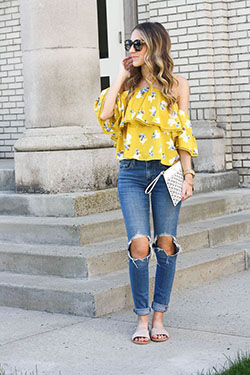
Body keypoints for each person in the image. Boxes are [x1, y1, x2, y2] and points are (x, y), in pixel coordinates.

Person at [94, 22, 198, 344]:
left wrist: (189, 174)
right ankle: (141, 318)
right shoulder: (127, 87)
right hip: (131, 173)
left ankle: (158, 315)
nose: (131, 50)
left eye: (137, 44)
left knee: (165, 244)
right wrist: (121, 76)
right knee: (139, 245)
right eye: (129, 44)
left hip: (167, 173)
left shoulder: (178, 85)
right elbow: (107, 113)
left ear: (154, 46)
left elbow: (183, 133)